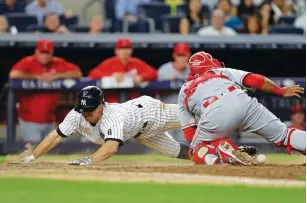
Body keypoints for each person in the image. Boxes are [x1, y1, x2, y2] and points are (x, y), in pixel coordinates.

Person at [178, 51, 306, 165]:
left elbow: (189, 132)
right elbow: (255, 80)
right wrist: (281, 91)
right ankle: (223, 150)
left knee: (195, 151)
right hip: (243, 101)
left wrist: (203, 145)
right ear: (210, 63)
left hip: (214, 110)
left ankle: (220, 151)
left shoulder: (184, 89)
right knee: (283, 134)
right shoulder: (220, 71)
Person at [17, 86, 190, 165]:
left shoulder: (112, 115)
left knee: (194, 117)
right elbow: (55, 136)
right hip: (140, 133)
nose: (87, 114)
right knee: (175, 152)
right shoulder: (76, 115)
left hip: (151, 113)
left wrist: (88, 161)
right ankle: (206, 158)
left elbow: (111, 147)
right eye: (84, 109)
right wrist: (33, 157)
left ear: (101, 105)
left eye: (91, 110)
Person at [9, 39, 82, 143]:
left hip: (49, 119)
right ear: (36, 52)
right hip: (29, 119)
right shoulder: (28, 61)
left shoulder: (58, 62)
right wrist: (37, 77)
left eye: (47, 53)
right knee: (34, 149)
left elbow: (77, 73)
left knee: (50, 150)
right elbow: (14, 74)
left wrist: (56, 76)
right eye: (42, 52)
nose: (45, 56)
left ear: (52, 53)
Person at [88, 38, 157, 102]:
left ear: (131, 50)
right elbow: (92, 74)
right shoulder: (110, 62)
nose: (124, 51)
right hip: (113, 102)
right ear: (116, 51)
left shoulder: (137, 62)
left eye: (127, 48)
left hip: (133, 102)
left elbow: (154, 73)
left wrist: (142, 77)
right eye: (121, 49)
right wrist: (111, 75)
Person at [158, 42, 191, 142]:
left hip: (185, 113)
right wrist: (168, 82)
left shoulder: (192, 70)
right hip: (166, 112)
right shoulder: (164, 70)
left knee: (184, 142)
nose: (181, 58)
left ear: (188, 55)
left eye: (183, 55)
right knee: (167, 142)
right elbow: (155, 89)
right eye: (179, 55)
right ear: (174, 56)